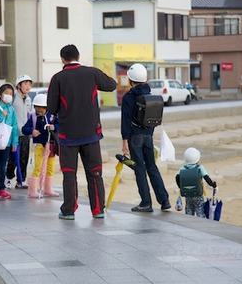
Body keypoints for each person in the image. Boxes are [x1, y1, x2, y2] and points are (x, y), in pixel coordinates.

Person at [47, 44, 117, 220]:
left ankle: (69, 210)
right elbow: (111, 85)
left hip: (67, 135)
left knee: (69, 173)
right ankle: (98, 209)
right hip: (92, 133)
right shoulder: (92, 73)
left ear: (62, 59)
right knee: (95, 172)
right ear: (79, 56)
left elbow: (51, 108)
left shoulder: (57, 78)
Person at [121, 63, 171, 212]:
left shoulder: (129, 97)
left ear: (130, 80)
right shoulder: (150, 95)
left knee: (140, 169)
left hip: (134, 137)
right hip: (148, 136)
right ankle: (164, 200)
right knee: (152, 167)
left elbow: (125, 120)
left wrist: (125, 141)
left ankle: (145, 203)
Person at [22, 94, 59, 198]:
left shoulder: (52, 116)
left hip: (51, 144)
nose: (39, 111)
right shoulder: (33, 117)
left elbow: (60, 125)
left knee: (50, 167)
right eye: (37, 108)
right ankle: (32, 190)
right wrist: (32, 131)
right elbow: (24, 129)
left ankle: (48, 189)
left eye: (41, 109)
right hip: (39, 144)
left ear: (46, 107)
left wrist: (54, 127)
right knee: (38, 166)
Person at [6, 74, 33, 189]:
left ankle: (21, 180)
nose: (28, 86)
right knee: (12, 157)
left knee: (24, 158)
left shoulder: (28, 99)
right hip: (14, 134)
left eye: (29, 84)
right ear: (18, 86)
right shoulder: (12, 98)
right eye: (25, 84)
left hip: (25, 133)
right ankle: (8, 178)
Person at [176, 147, 217, 217]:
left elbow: (177, 177)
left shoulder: (182, 168)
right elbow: (206, 178)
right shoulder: (200, 167)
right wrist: (213, 185)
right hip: (198, 194)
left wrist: (181, 187)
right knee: (199, 209)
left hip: (187, 194)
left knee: (189, 209)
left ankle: (189, 223)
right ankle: (200, 224)